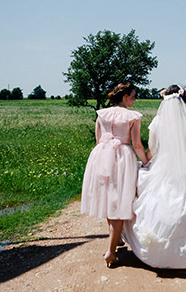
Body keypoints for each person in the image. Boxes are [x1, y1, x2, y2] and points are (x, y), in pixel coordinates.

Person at [122, 85, 186, 268]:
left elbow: (152, 148)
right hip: (185, 165)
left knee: (161, 200)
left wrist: (146, 163)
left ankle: (161, 248)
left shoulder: (157, 121)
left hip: (163, 162)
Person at [80, 83, 148, 268]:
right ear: (125, 96)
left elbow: (98, 138)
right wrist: (146, 162)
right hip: (122, 158)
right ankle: (111, 251)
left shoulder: (101, 113)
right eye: (133, 96)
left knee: (109, 197)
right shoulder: (133, 116)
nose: (135, 99)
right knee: (120, 201)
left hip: (101, 155)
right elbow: (137, 145)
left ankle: (115, 239)